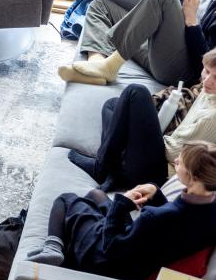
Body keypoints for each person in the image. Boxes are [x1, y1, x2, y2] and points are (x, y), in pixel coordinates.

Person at [26, 142, 216, 280]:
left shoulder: (153, 217)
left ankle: (52, 249)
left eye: (180, 163)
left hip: (106, 264)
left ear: (194, 177)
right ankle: (67, 244)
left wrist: (121, 204)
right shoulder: (210, 213)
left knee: (65, 200)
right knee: (96, 194)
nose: (175, 161)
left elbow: (111, 247)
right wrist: (156, 194)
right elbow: (175, 227)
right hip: (137, 254)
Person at [58, 0, 216, 87]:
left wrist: (192, 22)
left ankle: (110, 67)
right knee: (100, 6)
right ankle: (97, 65)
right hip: (156, 50)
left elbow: (207, 64)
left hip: (180, 70)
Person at [67, 50, 216, 191]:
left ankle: (101, 167)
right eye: (207, 71)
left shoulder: (213, 117)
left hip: (160, 173)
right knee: (112, 106)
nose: (208, 81)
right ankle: (115, 171)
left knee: (136, 92)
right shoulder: (209, 90)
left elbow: (175, 154)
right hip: (161, 155)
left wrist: (141, 133)